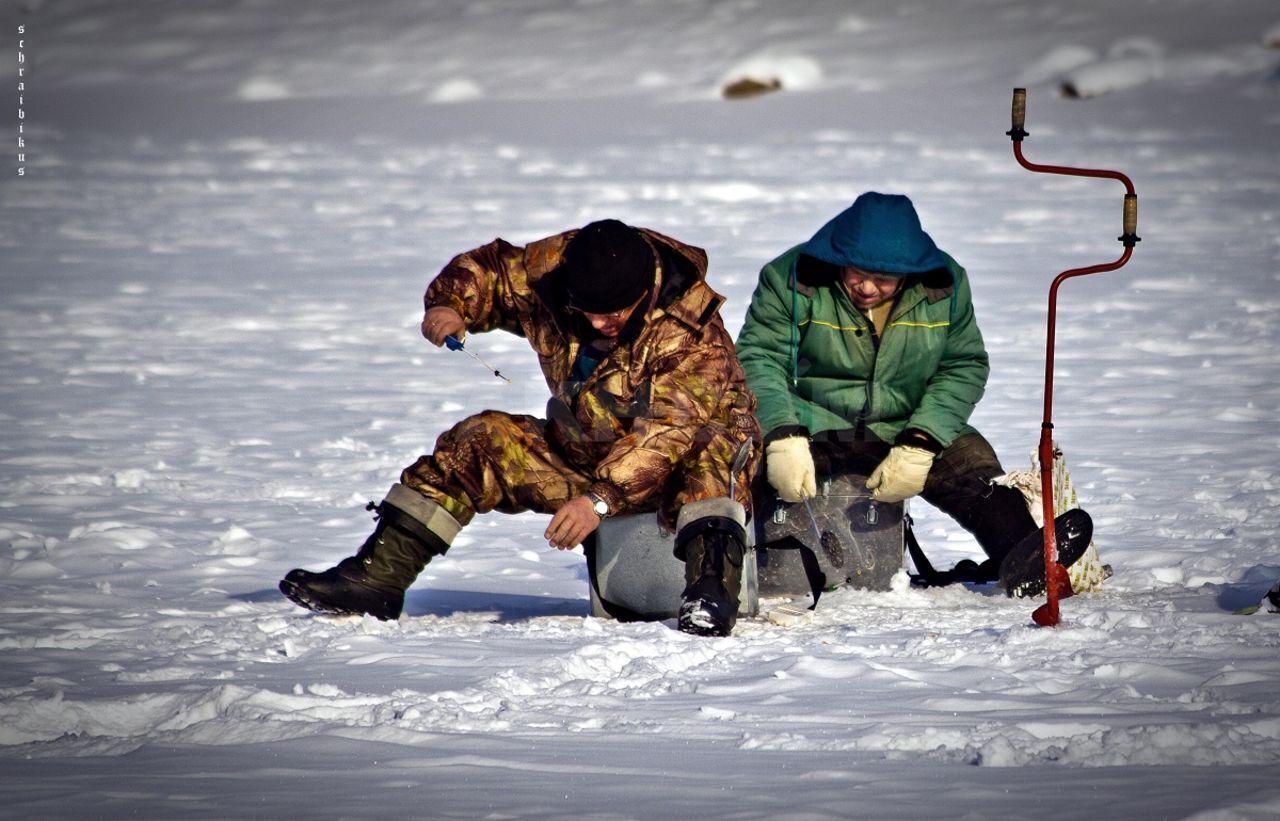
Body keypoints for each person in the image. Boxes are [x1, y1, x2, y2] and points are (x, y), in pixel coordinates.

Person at [280, 219, 761, 636]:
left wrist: (598, 500)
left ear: (646, 292)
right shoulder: (550, 271)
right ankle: (375, 580)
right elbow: (490, 271)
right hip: (589, 447)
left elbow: (668, 431)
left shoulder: (693, 332)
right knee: (480, 441)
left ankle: (709, 593)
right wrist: (450, 305)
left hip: (680, 457)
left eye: (614, 313)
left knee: (708, 447)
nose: (600, 322)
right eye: (588, 311)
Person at [735, 192, 1090, 596]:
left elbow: (963, 366)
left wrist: (922, 440)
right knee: (753, 468)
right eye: (856, 273)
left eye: (883, 279)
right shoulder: (791, 276)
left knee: (974, 471)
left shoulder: (946, 285)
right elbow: (758, 358)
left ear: (909, 272)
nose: (867, 288)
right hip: (813, 419)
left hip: (906, 421)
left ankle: (1026, 559)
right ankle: (725, 562)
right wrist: (782, 433)